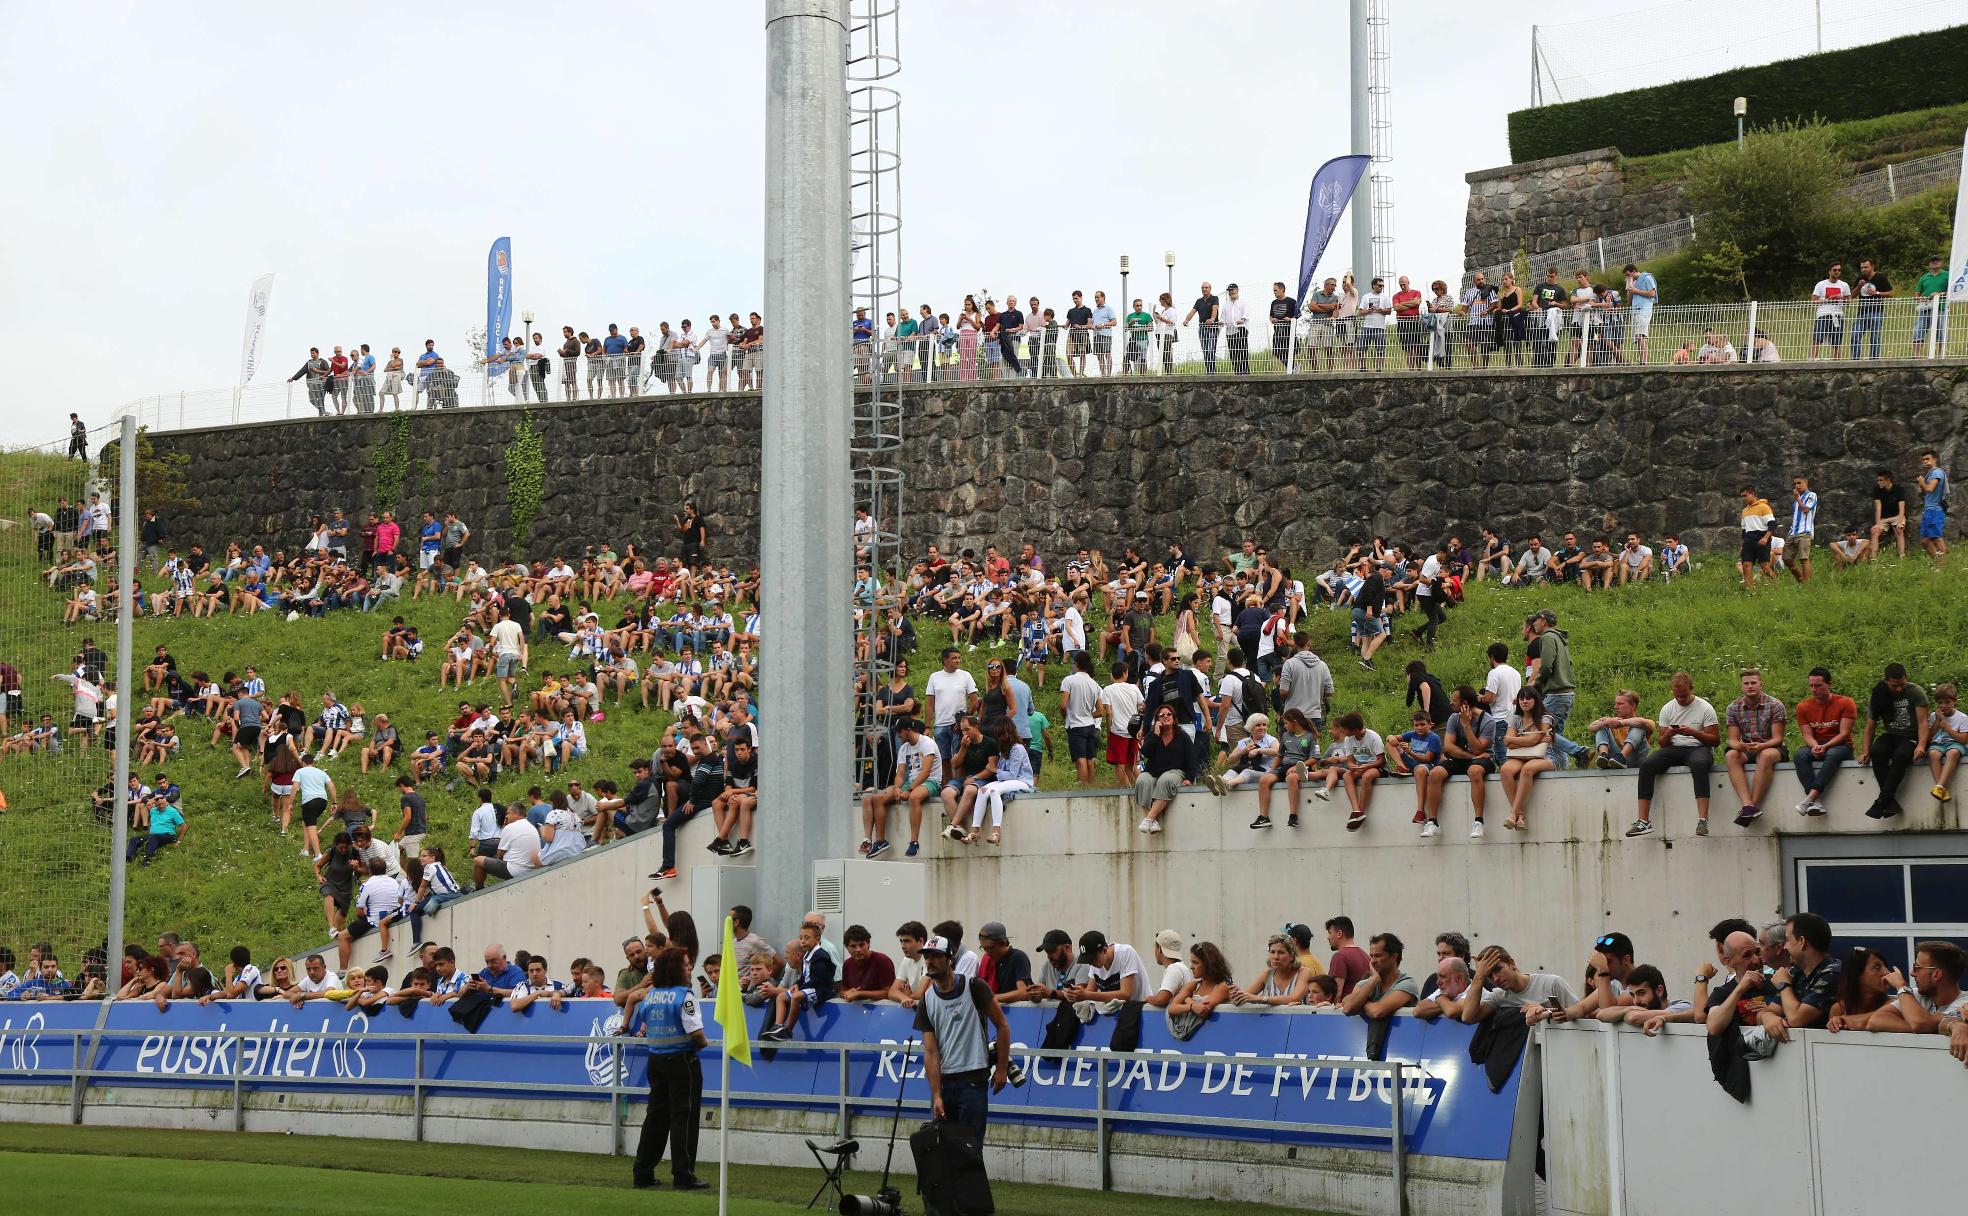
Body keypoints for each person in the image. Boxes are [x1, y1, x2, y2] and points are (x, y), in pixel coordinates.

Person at [619, 946, 709, 1191]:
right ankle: (683, 1175)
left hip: (655, 1061)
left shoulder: (651, 994)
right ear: (676, 969)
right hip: (682, 1061)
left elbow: (646, 1021)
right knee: (684, 1118)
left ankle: (643, 1172)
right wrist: (703, 1044)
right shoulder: (685, 995)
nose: (690, 968)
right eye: (687, 964)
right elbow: (696, 1034)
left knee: (655, 1118)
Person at [914, 932, 1011, 1139]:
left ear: (949, 958)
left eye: (935, 956)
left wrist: (1002, 1069)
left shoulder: (975, 986)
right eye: (927, 956)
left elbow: (1002, 1026)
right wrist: (936, 1095)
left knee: (970, 1149)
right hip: (945, 1081)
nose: (929, 961)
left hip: (974, 1078)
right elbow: (930, 1051)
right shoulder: (927, 999)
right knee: (944, 1150)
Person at [1625, 672, 1720, 838]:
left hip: (1698, 747)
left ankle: (1703, 819)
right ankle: (1643, 820)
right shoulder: (1668, 708)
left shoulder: (1705, 707)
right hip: (1674, 748)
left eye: (1684, 695)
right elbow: (1662, 743)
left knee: (1699, 764)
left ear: (1692, 689)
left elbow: (1715, 740)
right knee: (1647, 766)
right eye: (1677, 696)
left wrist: (1693, 732)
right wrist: (1669, 734)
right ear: (1672, 693)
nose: (1681, 699)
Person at [1860, 662, 1930, 820]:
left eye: (1901, 685)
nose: (1898, 689)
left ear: (1907, 677)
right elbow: (1870, 726)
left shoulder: (1915, 692)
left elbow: (1923, 722)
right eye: (1894, 686)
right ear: (1885, 680)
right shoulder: (1878, 694)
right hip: (1891, 734)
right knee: (1877, 751)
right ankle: (1889, 801)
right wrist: (1865, 751)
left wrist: (1921, 745)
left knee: (1901, 755)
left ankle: (1882, 800)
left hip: (1911, 735)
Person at [1722, 669, 1788, 827]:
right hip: (1747, 747)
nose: (1750, 686)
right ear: (1741, 686)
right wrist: (1741, 745)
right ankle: (1747, 805)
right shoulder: (1733, 707)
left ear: (1761, 684)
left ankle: (1753, 805)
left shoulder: (1775, 704)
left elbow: (1778, 738)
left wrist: (1762, 745)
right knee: (1731, 756)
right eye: (1746, 683)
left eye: (1753, 683)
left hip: (1771, 746)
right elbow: (1732, 740)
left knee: (1764, 756)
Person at [1792, 665, 1856, 814]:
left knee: (1833, 754)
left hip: (1841, 745)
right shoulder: (1803, 707)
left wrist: (1825, 747)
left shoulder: (1846, 702)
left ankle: (1809, 799)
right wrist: (1815, 746)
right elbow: (1807, 734)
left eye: (1818, 685)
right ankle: (1816, 802)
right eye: (1811, 686)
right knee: (1800, 755)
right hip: (1817, 744)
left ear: (1829, 684)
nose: (1814, 689)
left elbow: (1844, 733)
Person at [1339, 933, 1419, 1020]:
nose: (1372, 961)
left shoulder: (1407, 985)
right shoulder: (1367, 983)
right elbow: (1348, 1008)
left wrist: (1362, 1004)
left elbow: (1377, 1012)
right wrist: (1373, 980)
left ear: (1393, 957)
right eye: (1371, 956)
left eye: (1378, 955)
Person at [1916, 449, 1949, 563]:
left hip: (1935, 509)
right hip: (1928, 510)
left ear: (1934, 459)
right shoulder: (1928, 474)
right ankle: (1939, 562)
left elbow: (1929, 489)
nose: (1925, 461)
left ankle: (1943, 566)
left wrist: (1922, 483)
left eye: (1927, 459)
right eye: (1923, 460)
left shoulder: (1936, 472)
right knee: (1924, 540)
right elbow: (1921, 493)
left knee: (1936, 537)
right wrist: (1921, 485)